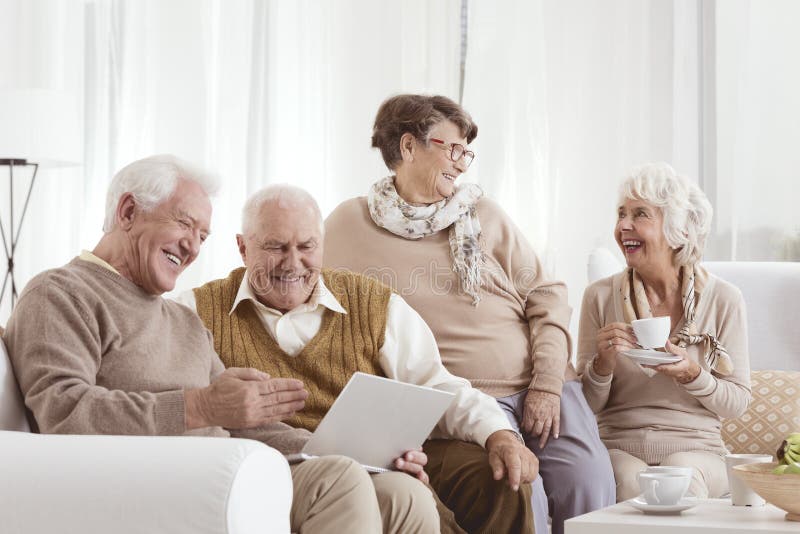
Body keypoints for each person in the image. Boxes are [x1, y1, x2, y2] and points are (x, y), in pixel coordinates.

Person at [2, 154, 425, 533]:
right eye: (185, 223)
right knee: (339, 482)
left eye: (203, 235)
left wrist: (364, 454)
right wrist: (200, 406)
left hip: (230, 474)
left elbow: (247, 423)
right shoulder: (60, 293)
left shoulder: (182, 320)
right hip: (162, 484)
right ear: (128, 211)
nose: (193, 247)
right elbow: (63, 411)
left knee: (401, 496)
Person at [323, 93, 615, 534]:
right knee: (522, 490)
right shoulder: (348, 225)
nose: (462, 165)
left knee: (587, 487)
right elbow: (309, 295)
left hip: (542, 388)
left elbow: (547, 296)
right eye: (453, 149)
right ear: (408, 147)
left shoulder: (484, 215)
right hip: (460, 404)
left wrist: (549, 384)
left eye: (466, 153)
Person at [178, 184, 539, 534]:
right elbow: (188, 415)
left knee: (466, 484)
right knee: (398, 493)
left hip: (373, 467)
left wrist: (500, 435)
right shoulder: (194, 312)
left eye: (307, 247)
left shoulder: (373, 303)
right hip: (269, 472)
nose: (293, 263)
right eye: (275, 247)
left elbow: (438, 386)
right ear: (242, 248)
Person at [576, 162, 751, 501]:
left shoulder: (724, 300)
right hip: (617, 445)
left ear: (678, 230)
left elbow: (737, 403)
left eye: (640, 214)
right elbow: (584, 405)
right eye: (621, 213)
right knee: (628, 482)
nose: (623, 226)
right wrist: (603, 365)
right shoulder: (598, 296)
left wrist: (693, 375)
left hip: (699, 449)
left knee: (680, 475)